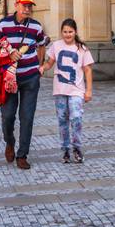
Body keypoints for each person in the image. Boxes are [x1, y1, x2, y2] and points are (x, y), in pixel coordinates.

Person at [0, 0, 48, 170]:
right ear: (17, 5)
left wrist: (40, 66)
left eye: (30, 6)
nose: (28, 8)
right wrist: (8, 53)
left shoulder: (36, 26)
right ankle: (9, 141)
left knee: (27, 117)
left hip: (30, 77)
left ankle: (22, 155)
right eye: (24, 5)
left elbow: (41, 44)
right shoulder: (3, 24)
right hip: (8, 78)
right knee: (7, 116)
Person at [40, 18, 94, 164]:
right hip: (59, 89)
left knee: (76, 117)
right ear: (61, 32)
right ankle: (65, 149)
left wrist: (88, 90)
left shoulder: (82, 49)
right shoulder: (56, 46)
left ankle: (77, 147)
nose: (67, 34)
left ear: (75, 32)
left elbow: (87, 70)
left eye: (70, 32)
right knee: (62, 119)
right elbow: (50, 63)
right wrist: (42, 68)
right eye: (65, 32)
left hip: (76, 89)